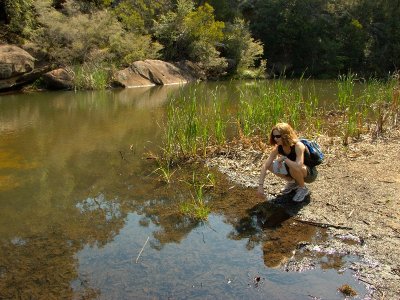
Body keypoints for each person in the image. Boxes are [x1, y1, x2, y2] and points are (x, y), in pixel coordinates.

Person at [257, 122, 318, 202]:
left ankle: (303, 188)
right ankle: (293, 183)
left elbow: (299, 166)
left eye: (278, 136)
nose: (275, 139)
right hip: (293, 170)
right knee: (271, 165)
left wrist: (284, 158)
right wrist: (260, 186)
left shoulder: (298, 146)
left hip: (309, 174)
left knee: (294, 167)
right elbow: (265, 165)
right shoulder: (278, 148)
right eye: (274, 136)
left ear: (285, 136)